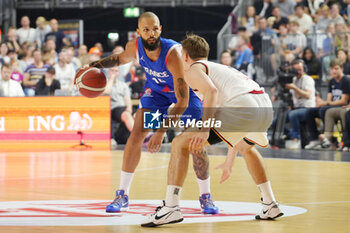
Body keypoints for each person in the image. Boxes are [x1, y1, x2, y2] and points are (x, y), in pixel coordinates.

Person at [141, 34, 283, 227]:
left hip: (243, 106)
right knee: (247, 148)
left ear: (185, 55)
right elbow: (236, 128)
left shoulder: (194, 69)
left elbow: (212, 92)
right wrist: (229, 162)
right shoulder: (218, 69)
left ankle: (171, 207)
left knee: (179, 143)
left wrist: (205, 129)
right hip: (262, 106)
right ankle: (270, 204)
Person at [85, 12, 218, 214]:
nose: (151, 33)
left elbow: (181, 100)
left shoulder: (173, 54)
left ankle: (206, 196)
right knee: (137, 133)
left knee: (195, 142)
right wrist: (92, 67)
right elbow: (118, 59)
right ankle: (122, 194)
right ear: (138, 32)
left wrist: (161, 131)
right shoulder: (135, 47)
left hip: (184, 96)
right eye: (146, 30)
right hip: (157, 95)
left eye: (155, 28)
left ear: (160, 29)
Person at [305, 59, 350, 149]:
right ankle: (315, 139)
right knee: (310, 112)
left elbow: (343, 101)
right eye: (332, 69)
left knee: (324, 110)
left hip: (342, 106)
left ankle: (329, 138)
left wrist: (325, 103)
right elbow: (329, 99)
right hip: (333, 105)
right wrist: (322, 103)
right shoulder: (332, 81)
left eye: (336, 69)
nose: (334, 71)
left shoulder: (346, 80)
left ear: (342, 69)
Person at [284, 59, 316, 149]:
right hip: (296, 108)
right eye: (296, 70)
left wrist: (294, 88)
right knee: (278, 118)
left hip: (308, 108)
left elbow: (307, 95)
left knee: (293, 114)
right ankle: (289, 134)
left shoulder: (308, 79)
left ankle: (297, 139)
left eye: (300, 69)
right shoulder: (293, 79)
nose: (299, 72)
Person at [103, 66, 134, 144]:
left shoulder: (123, 85)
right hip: (112, 109)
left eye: (116, 71)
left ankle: (149, 135)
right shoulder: (103, 83)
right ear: (108, 71)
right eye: (111, 70)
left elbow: (127, 98)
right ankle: (138, 136)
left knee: (138, 114)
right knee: (126, 115)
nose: (113, 72)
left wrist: (129, 108)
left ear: (119, 73)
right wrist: (111, 79)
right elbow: (107, 91)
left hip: (123, 108)